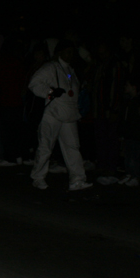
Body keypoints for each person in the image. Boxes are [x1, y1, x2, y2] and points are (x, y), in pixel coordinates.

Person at [28, 40, 92, 191]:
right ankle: (38, 177)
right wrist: (50, 93)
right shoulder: (51, 67)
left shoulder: (70, 70)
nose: (71, 55)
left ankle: (77, 180)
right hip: (53, 114)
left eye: (72, 52)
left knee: (73, 148)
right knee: (45, 147)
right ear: (60, 53)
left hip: (69, 115)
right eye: (68, 51)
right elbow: (34, 84)